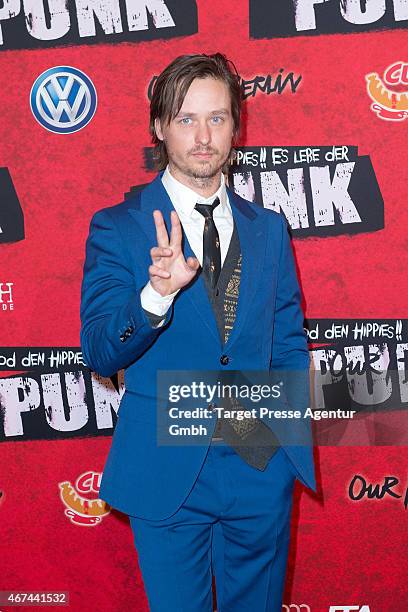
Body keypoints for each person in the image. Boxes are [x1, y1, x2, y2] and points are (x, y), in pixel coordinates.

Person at [80, 52, 317, 612]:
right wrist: (156, 294)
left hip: (258, 466)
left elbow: (287, 343)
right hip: (166, 467)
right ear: (159, 127)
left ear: (236, 126)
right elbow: (99, 349)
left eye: (217, 118)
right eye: (186, 119)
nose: (203, 136)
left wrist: (281, 453)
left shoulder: (269, 230)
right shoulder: (118, 226)